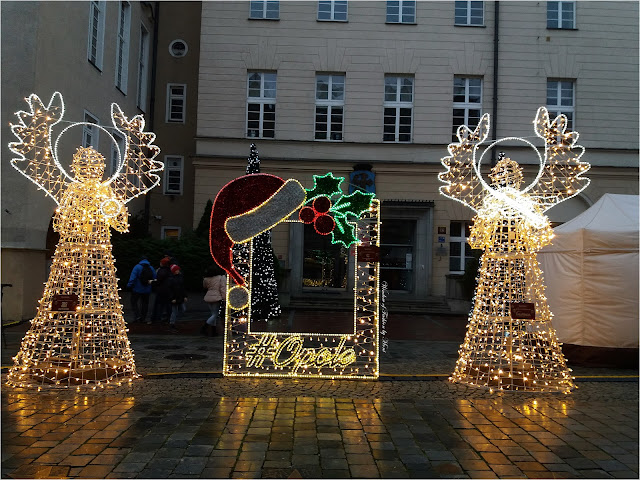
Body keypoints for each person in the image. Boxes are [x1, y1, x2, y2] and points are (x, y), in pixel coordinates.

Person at [127, 256, 156, 323]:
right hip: (147, 289)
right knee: (145, 304)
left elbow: (133, 277)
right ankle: (143, 318)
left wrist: (129, 285)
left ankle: (137, 316)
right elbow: (154, 278)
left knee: (134, 302)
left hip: (137, 289)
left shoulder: (137, 267)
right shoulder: (151, 268)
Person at [202, 266, 226, 336]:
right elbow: (223, 289)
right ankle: (205, 326)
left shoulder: (206, 279)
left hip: (208, 296)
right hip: (217, 297)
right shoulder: (221, 278)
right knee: (215, 314)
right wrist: (224, 299)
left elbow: (205, 287)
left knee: (213, 314)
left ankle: (213, 331)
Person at [150, 256, 172, 323]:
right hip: (167, 290)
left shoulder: (161, 271)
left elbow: (159, 281)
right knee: (167, 305)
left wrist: (152, 282)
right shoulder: (169, 270)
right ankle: (168, 318)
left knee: (158, 305)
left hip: (161, 290)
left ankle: (156, 318)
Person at [168, 264, 187, 332]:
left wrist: (185, 296)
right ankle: (172, 323)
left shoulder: (179, 277)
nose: (178, 271)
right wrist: (172, 298)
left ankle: (173, 322)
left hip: (179, 296)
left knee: (181, 310)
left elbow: (182, 287)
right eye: (176, 270)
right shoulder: (172, 279)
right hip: (176, 297)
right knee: (175, 311)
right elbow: (170, 289)